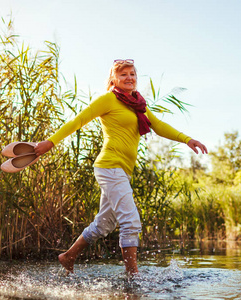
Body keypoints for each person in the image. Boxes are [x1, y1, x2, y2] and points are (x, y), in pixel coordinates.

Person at [34, 59, 207, 275]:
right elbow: (78, 120)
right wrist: (50, 142)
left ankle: (68, 256)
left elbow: (159, 126)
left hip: (123, 170)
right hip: (109, 165)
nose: (129, 78)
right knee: (131, 221)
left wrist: (187, 139)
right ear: (114, 79)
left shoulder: (138, 105)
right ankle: (132, 275)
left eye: (133, 74)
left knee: (104, 224)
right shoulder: (108, 99)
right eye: (124, 74)